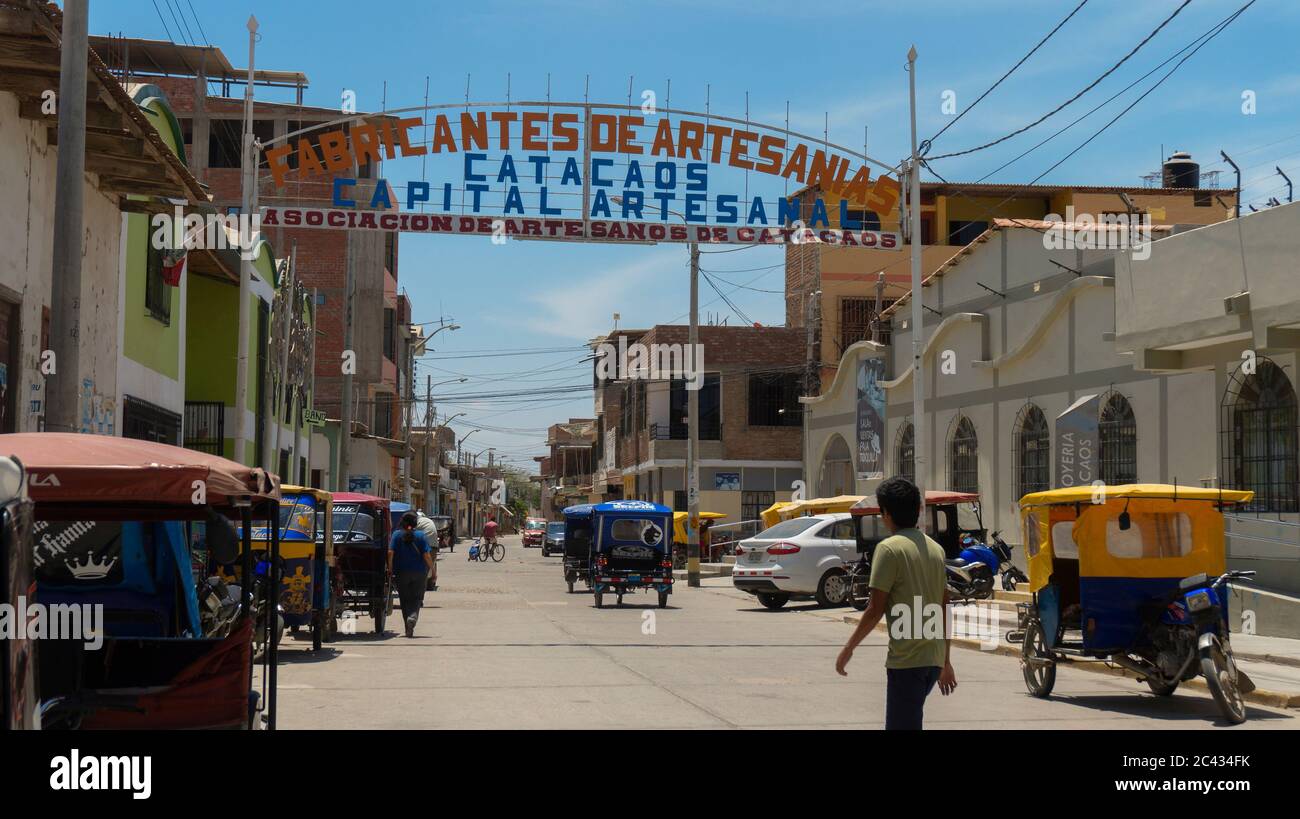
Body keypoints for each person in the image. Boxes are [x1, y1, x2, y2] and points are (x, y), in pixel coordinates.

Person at [835, 476, 956, 729]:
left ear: (886, 513)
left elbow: (874, 609)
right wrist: (945, 661)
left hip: (907, 662)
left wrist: (848, 649)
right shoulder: (936, 549)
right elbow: (945, 606)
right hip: (932, 661)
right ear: (917, 510)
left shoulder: (888, 549)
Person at [387, 511, 434, 638]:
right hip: (419, 573)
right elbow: (426, 555)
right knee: (417, 599)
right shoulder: (421, 535)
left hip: (401, 573)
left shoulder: (396, 535)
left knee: (405, 600)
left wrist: (390, 569)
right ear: (415, 523)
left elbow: (390, 553)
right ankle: (412, 618)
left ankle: (408, 627)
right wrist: (433, 571)